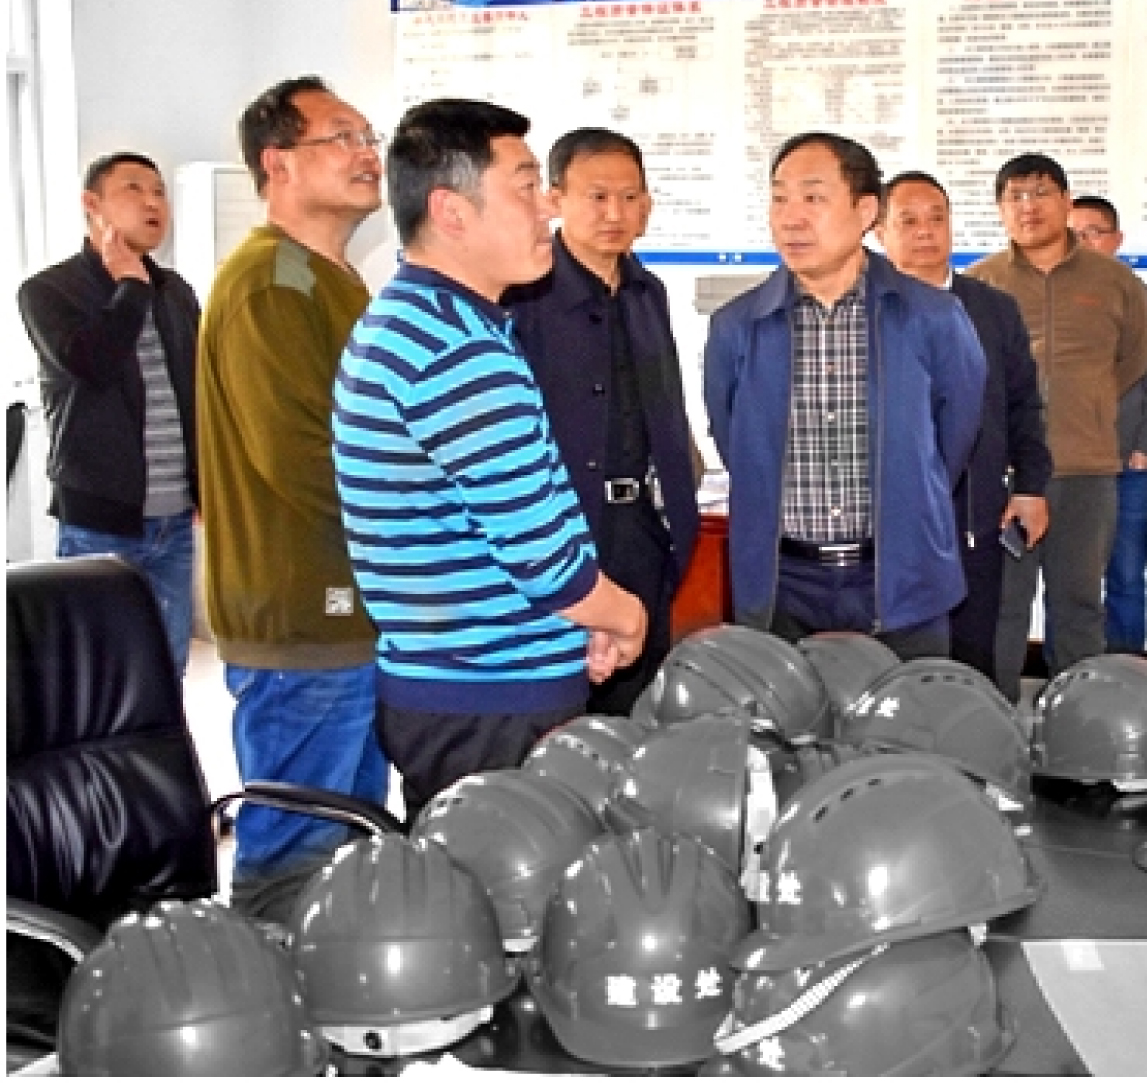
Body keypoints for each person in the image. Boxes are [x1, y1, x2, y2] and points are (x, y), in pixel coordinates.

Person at [332, 99, 647, 818]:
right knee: (509, 885)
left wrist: (580, 621)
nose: (546, 210)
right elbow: (544, 558)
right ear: (451, 212)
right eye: (525, 189)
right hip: (490, 699)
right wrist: (622, 615)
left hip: (458, 686)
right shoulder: (457, 352)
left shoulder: (415, 322)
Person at [198, 76, 390, 913]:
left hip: (348, 608)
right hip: (303, 611)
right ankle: (263, 985)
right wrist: (424, 520)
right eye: (340, 136)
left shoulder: (329, 277)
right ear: (277, 163)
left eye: (368, 136)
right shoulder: (273, 282)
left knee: (347, 845)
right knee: (293, 860)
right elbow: (303, 456)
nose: (366, 153)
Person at [704, 133, 986, 659]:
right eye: (779, 198)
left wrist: (910, 499)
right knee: (785, 714)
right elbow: (734, 441)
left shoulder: (934, 317)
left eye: (813, 198)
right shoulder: (737, 326)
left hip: (901, 579)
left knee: (907, 712)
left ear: (865, 211)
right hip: (782, 585)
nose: (791, 218)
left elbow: (955, 435)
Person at [504, 129, 698, 718]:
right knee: (564, 711)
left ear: (648, 205)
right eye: (597, 197)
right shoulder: (522, 297)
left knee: (638, 711)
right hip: (563, 534)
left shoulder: (648, 292)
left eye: (629, 197)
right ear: (555, 199)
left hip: (643, 529)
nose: (615, 213)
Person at [969, 155, 1147, 678]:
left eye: (1041, 193)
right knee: (1002, 606)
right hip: (1003, 474)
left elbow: (1132, 360)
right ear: (1001, 209)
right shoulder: (980, 283)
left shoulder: (1115, 281)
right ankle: (994, 711)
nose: (1028, 206)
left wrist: (1085, 406)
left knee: (1079, 604)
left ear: (1067, 202)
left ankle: (1076, 715)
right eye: (1015, 196)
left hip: (1085, 470)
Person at [19, 152, 200, 676]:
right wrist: (131, 288)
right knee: (102, 674)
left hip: (174, 518)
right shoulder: (48, 291)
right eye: (134, 189)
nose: (153, 203)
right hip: (99, 520)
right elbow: (91, 363)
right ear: (91, 205)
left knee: (167, 668)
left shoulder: (176, 292)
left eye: (159, 191)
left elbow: (198, 390)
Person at [874, 171, 1052, 697]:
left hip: (974, 512)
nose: (926, 231)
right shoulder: (865, 310)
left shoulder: (992, 309)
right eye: (909, 220)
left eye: (937, 218)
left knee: (972, 654)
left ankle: (972, 739)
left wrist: (1031, 486)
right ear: (879, 232)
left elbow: (1023, 404)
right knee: (896, 662)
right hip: (887, 520)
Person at [1067, 195, 1147, 653]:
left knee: (1126, 577)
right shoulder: (1053, 304)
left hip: (1128, 462)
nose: (1083, 243)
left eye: (1093, 232)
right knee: (1071, 581)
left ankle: (1127, 675)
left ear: (1116, 239)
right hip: (1070, 466)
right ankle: (1069, 676)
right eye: (1073, 234)